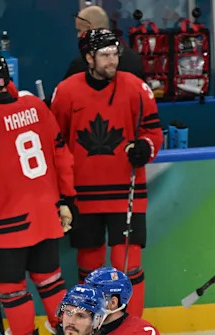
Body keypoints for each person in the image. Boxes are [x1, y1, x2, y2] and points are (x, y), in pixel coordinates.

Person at [0, 52, 76, 335]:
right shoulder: (36, 106)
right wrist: (66, 198)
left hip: (6, 222)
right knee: (51, 282)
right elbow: (61, 154)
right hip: (45, 216)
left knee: (13, 290)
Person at [51, 29, 162, 316]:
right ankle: (90, 326)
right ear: (89, 57)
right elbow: (57, 141)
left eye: (115, 54)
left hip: (127, 191)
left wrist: (146, 147)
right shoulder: (66, 91)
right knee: (89, 266)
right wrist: (62, 193)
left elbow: (153, 131)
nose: (112, 60)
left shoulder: (137, 88)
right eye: (105, 55)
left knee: (129, 264)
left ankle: (132, 327)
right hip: (83, 194)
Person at [64, 5, 145, 79]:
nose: (78, 35)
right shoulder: (134, 59)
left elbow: (65, 93)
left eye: (79, 30)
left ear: (90, 29)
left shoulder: (82, 64)